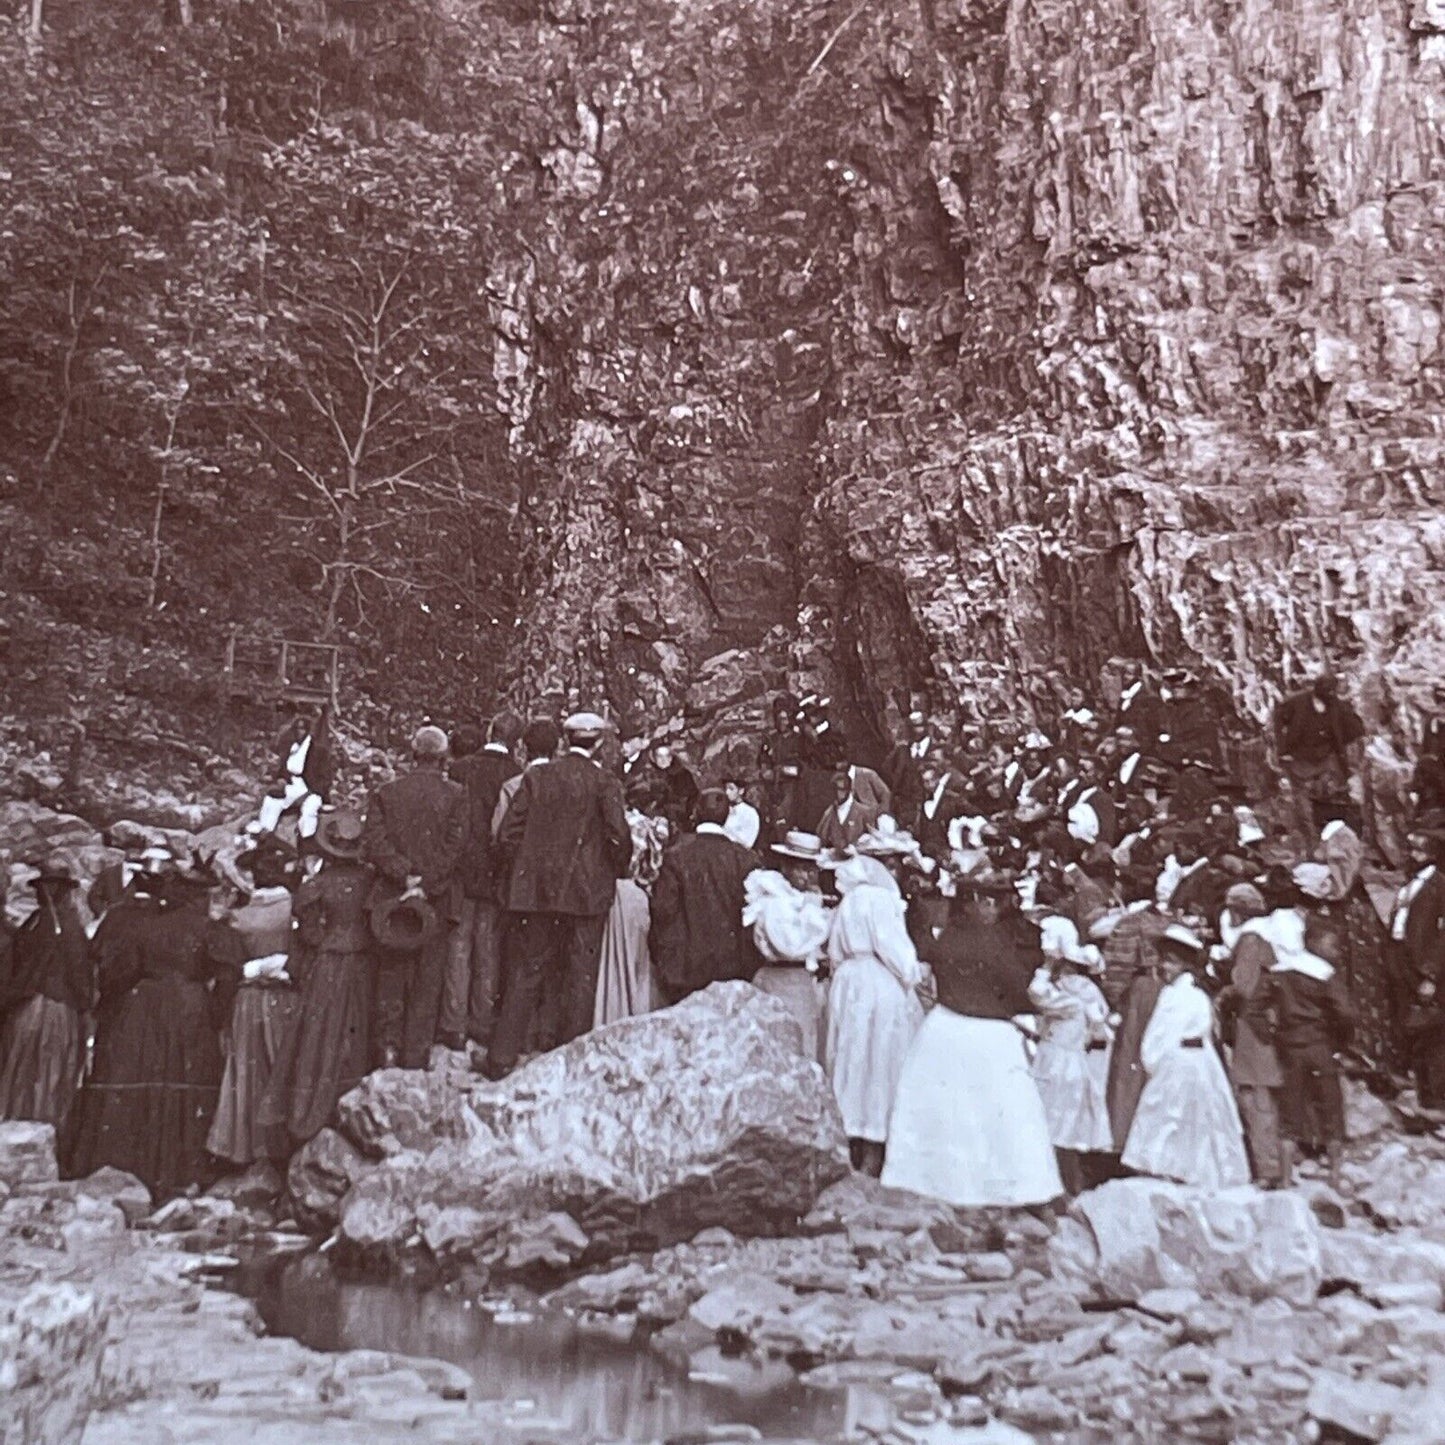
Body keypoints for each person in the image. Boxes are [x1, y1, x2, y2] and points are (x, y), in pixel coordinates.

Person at [66, 857, 243, 1200]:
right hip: (188, 1007)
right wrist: (218, 1015)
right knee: (182, 1081)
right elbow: (227, 975)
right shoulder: (208, 929)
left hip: (143, 1009)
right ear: (200, 897)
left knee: (142, 1078)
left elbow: (123, 970)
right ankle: (179, 1169)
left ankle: (129, 1165)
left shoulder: (149, 924)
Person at [881, 886, 1062, 1208]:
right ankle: (996, 1192)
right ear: (973, 904)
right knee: (996, 1116)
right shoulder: (994, 942)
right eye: (988, 902)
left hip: (943, 1028)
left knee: (946, 1114)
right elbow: (1016, 986)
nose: (993, 910)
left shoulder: (947, 938)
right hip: (988, 1033)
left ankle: (936, 1186)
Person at [488, 711, 631, 1077]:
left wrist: (527, 873)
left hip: (536, 893)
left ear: (567, 741)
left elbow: (507, 836)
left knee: (527, 970)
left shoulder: (537, 776)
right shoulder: (605, 782)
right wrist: (611, 870)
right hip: (586, 896)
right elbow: (618, 838)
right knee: (580, 977)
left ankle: (501, 1056)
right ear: (598, 743)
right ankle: (571, 1064)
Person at [362, 725, 468, 1070]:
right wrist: (425, 882)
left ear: (413, 754)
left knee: (390, 976)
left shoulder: (387, 792)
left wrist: (403, 874)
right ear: (443, 758)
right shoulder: (455, 794)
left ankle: (386, 1051)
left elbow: (375, 842)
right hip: (433, 900)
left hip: (391, 898)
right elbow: (456, 848)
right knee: (427, 979)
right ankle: (416, 1055)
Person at [270, 810, 376, 1144]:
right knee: (354, 1029)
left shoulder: (317, 884)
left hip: (329, 963)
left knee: (319, 1033)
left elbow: (310, 930)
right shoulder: (370, 880)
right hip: (361, 962)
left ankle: (306, 1112)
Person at [1121, 925, 1250, 1188]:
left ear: (1183, 965)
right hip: (1194, 1061)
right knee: (1185, 1116)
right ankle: (1179, 1167)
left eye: (1170, 962)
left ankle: (1175, 1167)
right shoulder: (1190, 993)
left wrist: (1153, 1061)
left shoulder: (1181, 995)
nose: (1164, 967)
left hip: (1180, 1060)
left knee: (1175, 1115)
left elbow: (1161, 1034)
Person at [822, 854, 927, 1175]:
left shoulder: (848, 900)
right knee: (879, 1061)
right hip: (877, 982)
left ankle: (848, 1136)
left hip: (848, 981)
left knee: (849, 1057)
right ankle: (874, 1143)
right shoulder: (881, 900)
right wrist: (912, 975)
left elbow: (835, 951)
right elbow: (893, 947)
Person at [207, 845, 300, 1168]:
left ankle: (243, 1147)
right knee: (283, 1063)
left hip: (248, 998)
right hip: (287, 996)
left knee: (246, 1067)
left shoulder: (240, 918)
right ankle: (285, 1143)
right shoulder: (294, 908)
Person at [1249, 913, 1355, 1190]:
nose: (1336, 951)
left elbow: (1253, 1009)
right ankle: (1334, 1175)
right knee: (1331, 1109)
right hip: (1320, 1046)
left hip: (1289, 1048)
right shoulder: (1324, 974)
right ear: (1315, 942)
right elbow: (1345, 1014)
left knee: (1290, 1110)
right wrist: (1340, 1042)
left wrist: (1270, 1035)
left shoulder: (1279, 972)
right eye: (1332, 945)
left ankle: (1284, 1178)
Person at [1293, 818, 1399, 1079]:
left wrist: (1321, 883)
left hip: (1355, 928)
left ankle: (1368, 1050)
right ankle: (1355, 1045)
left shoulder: (1345, 843)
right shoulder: (1335, 839)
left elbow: (1341, 884)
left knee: (1361, 983)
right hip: (1346, 925)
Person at [441, 712, 521, 1055]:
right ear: (515, 741)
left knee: (458, 949)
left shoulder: (461, 770)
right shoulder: (518, 775)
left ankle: (453, 1025)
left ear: (490, 730)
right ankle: (483, 1022)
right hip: (495, 874)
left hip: (461, 871)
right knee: (488, 950)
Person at [0, 857, 94, 1131]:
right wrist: (86, 1006)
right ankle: (44, 1129)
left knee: (25, 1071)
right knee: (48, 1073)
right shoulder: (65, 924)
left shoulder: (38, 921)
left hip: (28, 1009)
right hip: (55, 1011)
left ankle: (21, 1126)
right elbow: (79, 972)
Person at [648, 789, 764, 1005]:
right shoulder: (745, 859)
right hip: (731, 972)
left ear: (696, 812)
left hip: (684, 970)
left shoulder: (676, 855)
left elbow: (663, 910)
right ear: (727, 816)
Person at [1028, 918, 1114, 1194]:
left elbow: (1037, 994)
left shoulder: (1070, 997)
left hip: (1058, 1065)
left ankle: (1059, 1191)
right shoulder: (1091, 995)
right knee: (1063, 1134)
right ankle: (1065, 1189)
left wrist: (1046, 969)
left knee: (1053, 1132)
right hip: (1071, 1063)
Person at [1214, 883, 1287, 1187]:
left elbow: (1244, 984)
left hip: (1252, 1028)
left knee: (1256, 1099)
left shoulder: (1250, 939)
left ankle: (1268, 1170)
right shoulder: (1274, 935)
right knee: (1266, 1099)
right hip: (1270, 1023)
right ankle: (1276, 1168)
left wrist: (1222, 992)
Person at [744, 831, 833, 1060]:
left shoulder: (804, 899)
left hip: (802, 982)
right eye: (801, 869)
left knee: (807, 1044)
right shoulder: (775, 901)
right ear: (786, 868)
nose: (808, 877)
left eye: (812, 870)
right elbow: (790, 946)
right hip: (781, 980)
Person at [1390, 827, 1445, 1108]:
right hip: (1403, 961)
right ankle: (1416, 1084)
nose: (1413, 855)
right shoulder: (1409, 883)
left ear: (1432, 854)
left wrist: (1431, 975)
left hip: (1423, 967)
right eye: (1411, 849)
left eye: (1419, 850)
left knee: (1432, 1033)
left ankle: (1435, 1098)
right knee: (1408, 1024)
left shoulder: (1439, 887)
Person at [1274, 670, 1365, 838]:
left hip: (1326, 755)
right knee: (1302, 798)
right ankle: (1309, 835)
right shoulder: (1298, 702)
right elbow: (1279, 719)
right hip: (1300, 757)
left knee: (1334, 793)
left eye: (1332, 692)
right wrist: (1283, 749)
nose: (1330, 696)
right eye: (1327, 692)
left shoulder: (1334, 704)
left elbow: (1353, 728)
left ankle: (1331, 829)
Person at [594, 811, 663, 1027]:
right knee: (637, 965)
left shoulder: (613, 821)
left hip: (607, 891)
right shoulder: (648, 826)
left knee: (608, 963)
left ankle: (606, 1017)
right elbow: (653, 867)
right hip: (635, 895)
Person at [258, 707, 335, 840]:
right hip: (292, 786)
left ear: (308, 730)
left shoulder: (318, 751)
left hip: (311, 788)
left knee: (309, 810)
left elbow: (326, 779)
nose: (300, 732)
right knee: (272, 800)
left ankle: (307, 841)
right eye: (297, 729)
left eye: (303, 729)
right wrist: (281, 779)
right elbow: (284, 770)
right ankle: (266, 833)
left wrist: (310, 792)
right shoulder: (291, 748)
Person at [625, 739, 700, 838]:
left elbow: (692, 799)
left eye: (667, 756)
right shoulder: (645, 775)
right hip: (651, 825)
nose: (663, 760)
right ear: (654, 758)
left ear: (671, 758)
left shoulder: (683, 776)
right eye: (660, 756)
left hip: (680, 825)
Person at [816, 770, 881, 853]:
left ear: (849, 790)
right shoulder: (828, 813)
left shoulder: (864, 813)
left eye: (841, 790)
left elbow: (875, 844)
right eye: (834, 789)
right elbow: (820, 838)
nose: (837, 793)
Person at [721, 778, 761, 849]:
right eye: (725, 788)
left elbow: (747, 843)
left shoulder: (749, 812)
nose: (727, 792)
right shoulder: (721, 809)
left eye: (731, 789)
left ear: (741, 791)